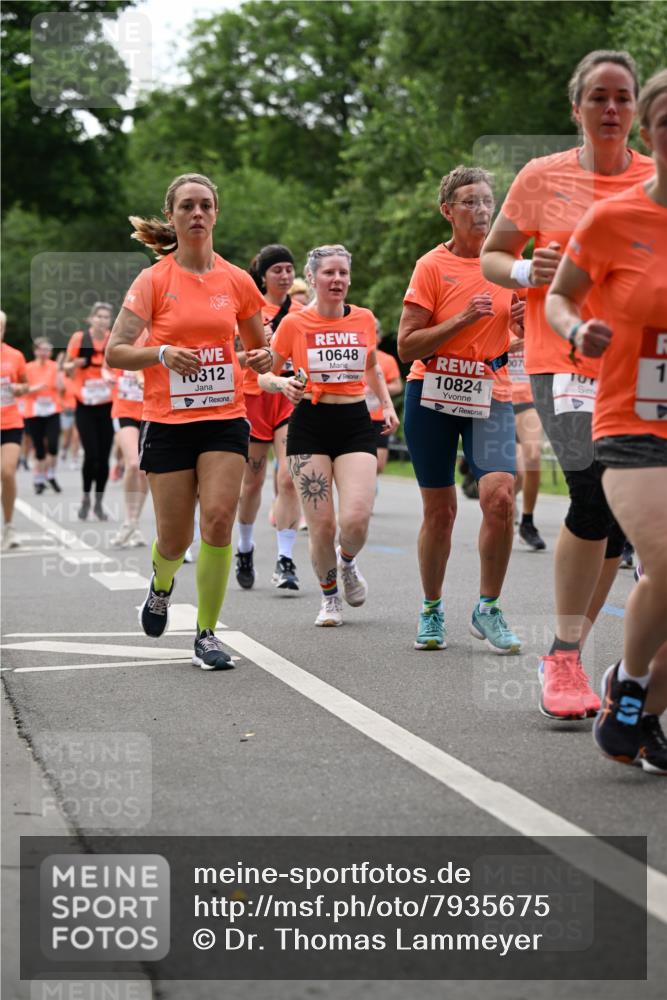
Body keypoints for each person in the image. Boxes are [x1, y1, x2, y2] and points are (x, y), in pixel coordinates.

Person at [481, 49, 654, 718]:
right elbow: (495, 254)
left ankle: (584, 660)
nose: (610, 110)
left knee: (610, 514)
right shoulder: (539, 178)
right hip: (562, 356)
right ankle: (559, 653)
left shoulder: (654, 179)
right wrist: (528, 272)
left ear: (636, 110)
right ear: (574, 107)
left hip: (637, 364)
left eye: (621, 98)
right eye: (597, 98)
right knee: (588, 482)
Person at [545, 68, 667, 774]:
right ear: (651, 132)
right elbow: (561, 295)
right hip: (632, 422)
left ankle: (639, 714)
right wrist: (574, 329)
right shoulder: (615, 217)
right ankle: (626, 691)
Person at [106, 172, 271, 669]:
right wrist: (160, 353)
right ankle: (160, 584)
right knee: (175, 539)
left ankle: (206, 633)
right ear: (173, 217)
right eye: (186, 207)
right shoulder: (154, 280)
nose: (196, 214)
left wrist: (262, 361)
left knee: (219, 519)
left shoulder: (237, 280)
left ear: (216, 213)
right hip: (168, 421)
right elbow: (116, 351)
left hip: (224, 417)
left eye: (205, 206)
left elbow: (258, 349)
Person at [397, 166, 524, 654]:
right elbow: (408, 345)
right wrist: (463, 317)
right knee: (441, 511)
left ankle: (488, 607)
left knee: (500, 497)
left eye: (487, 201)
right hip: (431, 389)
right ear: (447, 211)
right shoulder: (431, 266)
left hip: (489, 391)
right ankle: (431, 609)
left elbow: (526, 336)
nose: (481, 210)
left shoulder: (509, 265)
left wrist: (523, 322)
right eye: (469, 202)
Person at [259, 244, 399, 626]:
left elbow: (371, 366)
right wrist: (280, 384)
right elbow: (263, 373)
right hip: (310, 424)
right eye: (328, 273)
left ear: (349, 278)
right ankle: (329, 597)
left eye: (342, 273)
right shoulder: (294, 324)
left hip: (355, 422)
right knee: (322, 524)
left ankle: (347, 563)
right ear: (314, 277)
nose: (336, 280)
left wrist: (386, 404)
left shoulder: (364, 319)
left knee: (355, 519)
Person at [234, 245, 304, 593]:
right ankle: (245, 548)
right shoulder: (249, 310)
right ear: (263, 276)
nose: (285, 275)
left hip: (288, 399)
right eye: (277, 270)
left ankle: (285, 560)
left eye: (289, 269)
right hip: (253, 398)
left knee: (290, 478)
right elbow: (229, 355)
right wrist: (256, 356)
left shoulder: (304, 311)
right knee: (251, 483)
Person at [64, 302, 115, 520]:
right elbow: (65, 367)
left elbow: (122, 365)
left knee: (103, 458)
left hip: (108, 403)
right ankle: (86, 498)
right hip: (84, 404)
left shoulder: (114, 338)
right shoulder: (79, 338)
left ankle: (99, 502)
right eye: (99, 316)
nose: (103, 320)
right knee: (91, 454)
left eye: (106, 317)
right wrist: (76, 363)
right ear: (91, 318)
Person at [107, 331, 150, 548]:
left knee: (144, 469)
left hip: (149, 411)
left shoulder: (155, 337)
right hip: (123, 410)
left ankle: (135, 522)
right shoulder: (120, 337)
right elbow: (106, 366)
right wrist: (107, 376)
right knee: (133, 463)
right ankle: (128, 521)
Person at [508, 335, 546, 550]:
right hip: (501, 398)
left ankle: (527, 522)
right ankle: (506, 500)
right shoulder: (499, 317)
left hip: (529, 401)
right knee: (518, 473)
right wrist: (506, 347)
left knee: (532, 458)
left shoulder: (537, 325)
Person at [0, 311, 28, 550]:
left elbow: (25, 383)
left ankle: (9, 528)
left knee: (7, 472)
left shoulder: (15, 356)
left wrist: (20, 388)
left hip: (10, 422)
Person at [23, 338, 63, 494]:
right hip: (34, 411)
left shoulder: (54, 367)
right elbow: (23, 389)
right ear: (35, 351)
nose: (45, 353)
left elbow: (61, 388)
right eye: (42, 349)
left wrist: (59, 370)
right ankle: (38, 479)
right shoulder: (28, 368)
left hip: (52, 410)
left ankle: (51, 474)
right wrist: (35, 388)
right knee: (39, 448)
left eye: (48, 350)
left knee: (53, 445)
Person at [366, 319, 403, 477]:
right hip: (356, 415)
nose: (370, 335)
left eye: (374, 332)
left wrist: (378, 388)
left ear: (379, 336)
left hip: (379, 418)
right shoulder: (353, 357)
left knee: (379, 465)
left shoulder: (387, 360)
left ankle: (369, 485)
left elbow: (398, 386)